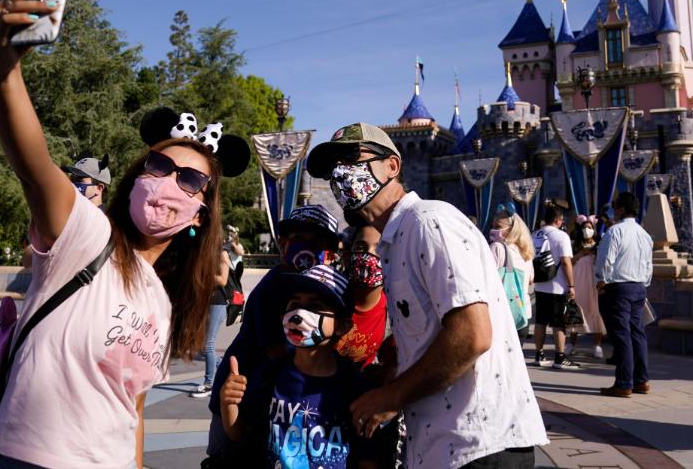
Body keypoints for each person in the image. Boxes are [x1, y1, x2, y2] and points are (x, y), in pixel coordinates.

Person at [0, 0, 250, 468]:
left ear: (203, 209)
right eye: (159, 166)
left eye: (190, 180)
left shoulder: (166, 300)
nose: (169, 183)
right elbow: (34, 163)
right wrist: (3, 68)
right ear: (137, 172)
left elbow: (134, 407)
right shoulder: (86, 236)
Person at [308, 122, 548, 469]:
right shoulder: (395, 242)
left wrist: (392, 395)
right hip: (444, 447)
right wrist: (394, 371)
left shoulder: (429, 222)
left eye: (351, 159)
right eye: (333, 169)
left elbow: (472, 335)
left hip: (479, 445)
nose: (341, 176)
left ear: (392, 166)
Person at [206, 204, 341, 458]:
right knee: (230, 457)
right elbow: (278, 352)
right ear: (282, 242)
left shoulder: (326, 287)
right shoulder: (275, 288)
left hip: (278, 401)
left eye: (316, 240)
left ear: (331, 252)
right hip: (242, 398)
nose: (306, 246)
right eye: (298, 238)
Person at [219, 264, 383, 467]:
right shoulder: (269, 374)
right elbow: (238, 432)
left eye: (314, 307)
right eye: (294, 304)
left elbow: (368, 458)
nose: (299, 314)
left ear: (342, 325)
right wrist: (229, 403)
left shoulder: (354, 388)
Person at [595, 192, 654, 398]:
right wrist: (644, 282)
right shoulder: (644, 234)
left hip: (618, 286)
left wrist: (601, 280)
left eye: (615, 206)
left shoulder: (615, 231)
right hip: (638, 286)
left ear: (620, 209)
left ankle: (623, 382)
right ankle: (641, 380)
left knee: (621, 335)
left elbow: (605, 260)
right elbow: (648, 264)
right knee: (637, 333)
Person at [531, 205, 580, 370]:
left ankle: (539, 354)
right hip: (557, 286)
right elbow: (566, 262)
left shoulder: (535, 234)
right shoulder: (561, 236)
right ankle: (560, 357)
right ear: (559, 220)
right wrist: (571, 285)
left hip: (540, 284)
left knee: (540, 322)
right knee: (559, 323)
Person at [335, 225, 387, 369]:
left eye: (379, 250)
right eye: (360, 248)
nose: (369, 257)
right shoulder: (330, 298)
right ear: (346, 257)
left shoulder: (397, 306)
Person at [190, 237, 233, 398]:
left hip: (218, 302)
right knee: (203, 345)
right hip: (205, 302)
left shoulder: (222, 254)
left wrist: (203, 273)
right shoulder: (203, 255)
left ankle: (209, 384)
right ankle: (225, 368)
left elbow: (222, 280)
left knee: (208, 344)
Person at [489, 208, 535, 340]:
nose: (493, 229)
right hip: (523, 312)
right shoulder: (526, 251)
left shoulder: (497, 247)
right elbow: (531, 279)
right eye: (493, 226)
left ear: (511, 229)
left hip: (503, 312)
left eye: (498, 226)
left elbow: (488, 279)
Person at [569, 216, 606, 360]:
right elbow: (569, 262)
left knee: (595, 311)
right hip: (579, 282)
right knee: (577, 310)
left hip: (594, 282)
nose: (587, 230)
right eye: (584, 227)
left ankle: (597, 345)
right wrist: (581, 254)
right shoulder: (575, 245)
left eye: (590, 227)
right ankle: (571, 344)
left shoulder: (599, 245)